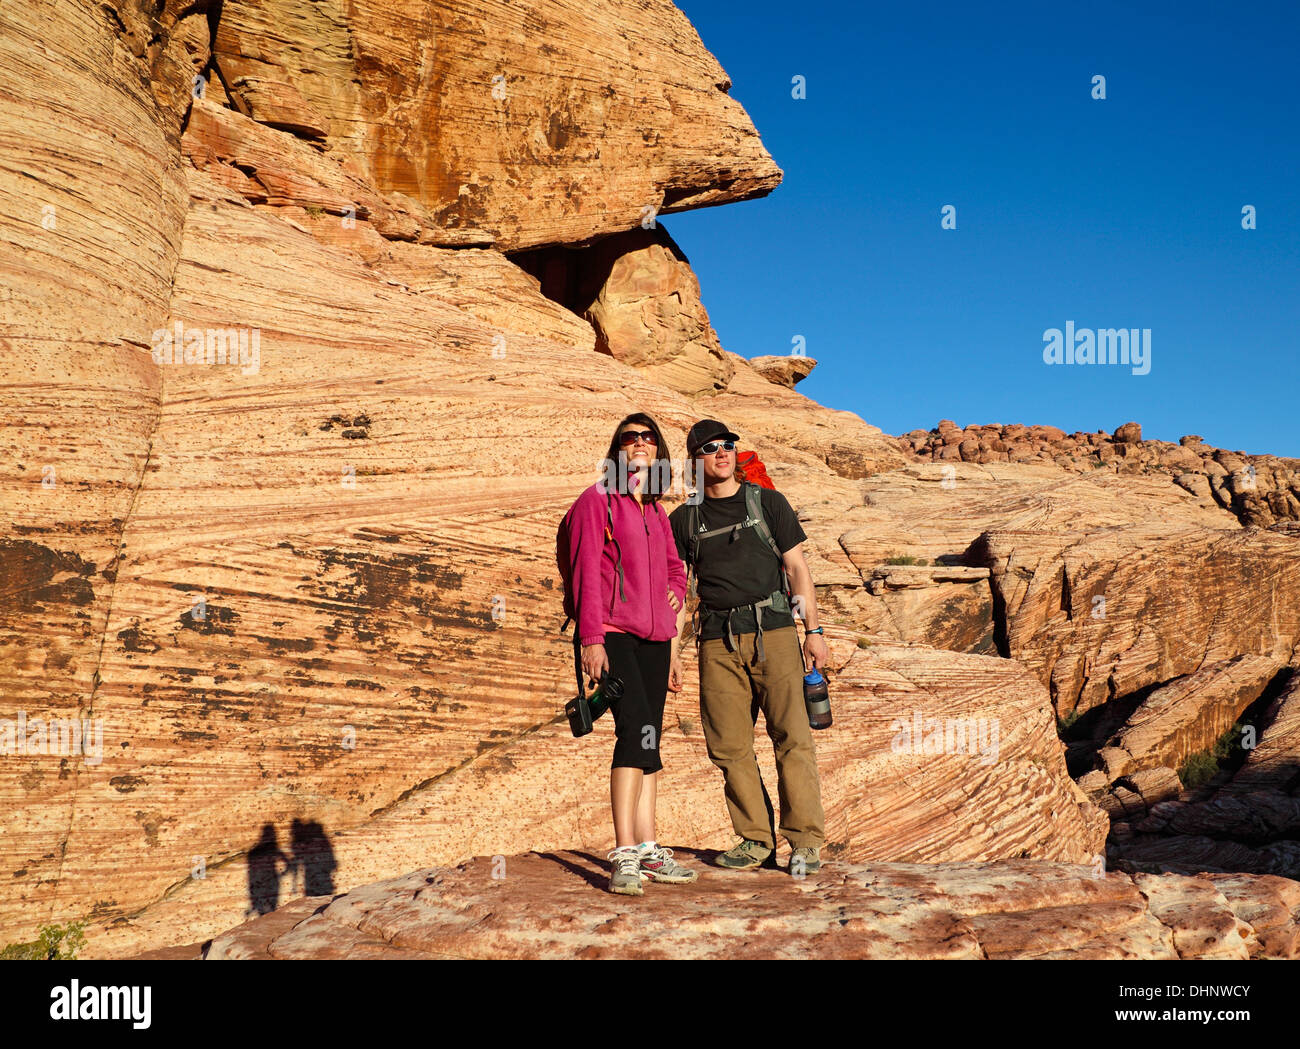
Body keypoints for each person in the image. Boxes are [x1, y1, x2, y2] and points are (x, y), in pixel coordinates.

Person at [668, 419, 828, 874]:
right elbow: (680, 591)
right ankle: (756, 839)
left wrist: (813, 631)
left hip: (774, 631)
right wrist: (672, 652)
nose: (723, 452)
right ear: (696, 460)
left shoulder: (768, 503)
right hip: (716, 639)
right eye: (711, 447)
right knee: (728, 745)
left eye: (729, 444)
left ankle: (804, 842)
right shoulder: (685, 519)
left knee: (792, 737)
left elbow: (797, 569)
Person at [563, 412, 698, 895]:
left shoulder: (655, 511)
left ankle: (647, 849)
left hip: (657, 638)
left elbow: (674, 569)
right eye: (630, 438)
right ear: (617, 450)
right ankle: (623, 853)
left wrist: (674, 597)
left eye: (648, 438)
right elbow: (584, 576)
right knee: (632, 729)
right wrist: (592, 639)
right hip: (616, 632)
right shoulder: (597, 500)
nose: (640, 443)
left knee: (650, 739)